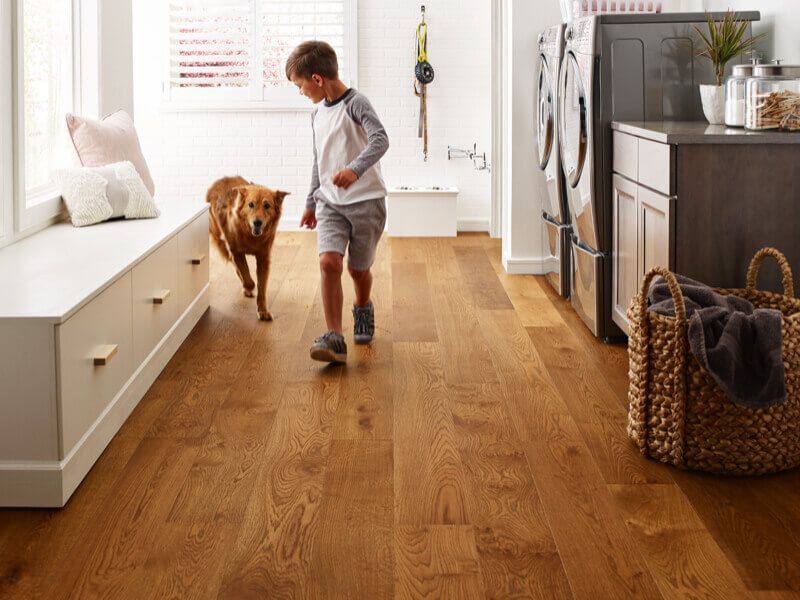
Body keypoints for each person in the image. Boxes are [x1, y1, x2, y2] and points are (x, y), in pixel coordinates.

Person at [286, 40, 389, 364]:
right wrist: (309, 202)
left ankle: (362, 307)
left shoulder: (356, 103)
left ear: (317, 79)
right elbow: (319, 161)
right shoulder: (316, 115)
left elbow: (380, 139)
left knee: (358, 271)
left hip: (366, 202)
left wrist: (355, 170)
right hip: (330, 203)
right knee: (328, 263)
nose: (301, 92)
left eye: (300, 85)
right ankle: (335, 337)